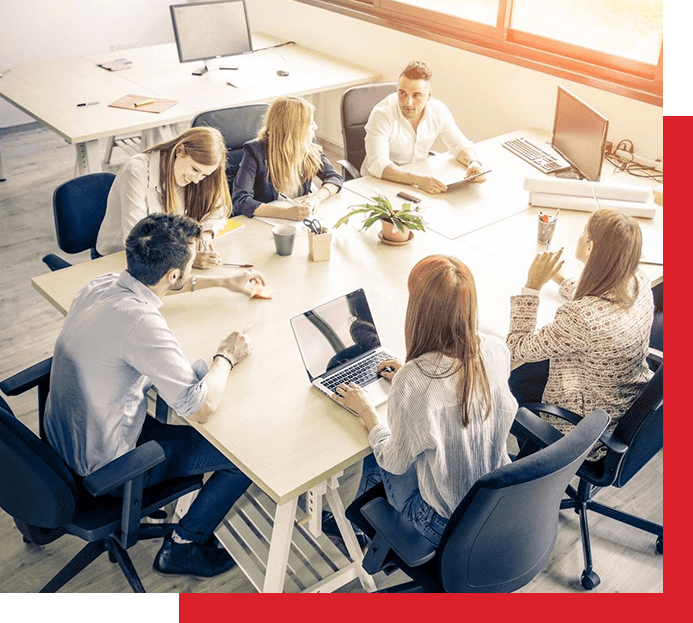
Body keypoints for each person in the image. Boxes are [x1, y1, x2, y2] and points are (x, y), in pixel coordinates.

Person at [44, 213, 268, 578]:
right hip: (107, 469)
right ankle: (183, 546)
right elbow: (201, 407)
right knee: (246, 455)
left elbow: (161, 290)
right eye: (189, 263)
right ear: (173, 275)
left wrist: (224, 281)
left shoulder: (97, 285)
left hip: (61, 441)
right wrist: (226, 355)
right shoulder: (142, 325)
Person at [331, 255, 517, 547]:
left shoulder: (416, 380)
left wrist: (368, 412)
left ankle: (358, 532)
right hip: (495, 506)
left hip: (441, 523)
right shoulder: (495, 349)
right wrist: (409, 379)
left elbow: (394, 460)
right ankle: (362, 527)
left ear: (419, 311)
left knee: (374, 445)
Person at [506, 208, 654, 460]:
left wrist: (531, 287)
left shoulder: (580, 317)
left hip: (584, 428)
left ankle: (533, 466)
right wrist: (562, 280)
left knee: (508, 374)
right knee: (533, 364)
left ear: (590, 247)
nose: (579, 236)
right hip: (623, 405)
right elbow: (602, 305)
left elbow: (516, 346)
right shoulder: (637, 280)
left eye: (583, 232)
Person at [97, 127, 231, 269]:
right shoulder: (136, 171)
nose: (197, 180)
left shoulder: (195, 177)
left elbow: (219, 209)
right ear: (180, 150)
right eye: (195, 169)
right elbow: (137, 241)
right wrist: (187, 259)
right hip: (118, 259)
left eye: (204, 175)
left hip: (166, 256)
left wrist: (206, 232)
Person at [361, 60, 485, 194]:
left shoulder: (438, 111)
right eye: (402, 93)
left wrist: (474, 163)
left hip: (418, 183)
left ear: (429, 95)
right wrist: (418, 180)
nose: (407, 102)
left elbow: (460, 145)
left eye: (416, 95)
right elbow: (377, 164)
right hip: (378, 184)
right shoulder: (382, 114)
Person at [232, 96, 343, 220]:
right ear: (294, 129)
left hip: (299, 220)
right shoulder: (255, 151)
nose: (315, 127)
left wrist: (315, 199)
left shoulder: (308, 147)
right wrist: (285, 213)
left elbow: (334, 177)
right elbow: (241, 200)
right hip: (268, 221)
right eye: (310, 122)